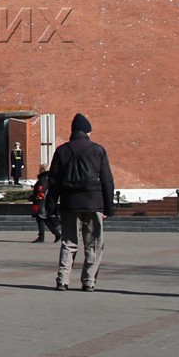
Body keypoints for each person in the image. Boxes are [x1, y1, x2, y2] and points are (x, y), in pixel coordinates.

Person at [48, 114, 115, 291]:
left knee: (68, 242)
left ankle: (62, 280)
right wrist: (109, 206)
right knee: (93, 243)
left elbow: (53, 182)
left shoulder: (62, 150)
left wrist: (51, 206)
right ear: (88, 131)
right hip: (94, 202)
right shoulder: (97, 150)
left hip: (69, 203)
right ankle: (89, 281)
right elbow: (107, 180)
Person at [30, 170, 60, 242]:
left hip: (41, 202)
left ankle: (43, 236)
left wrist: (35, 197)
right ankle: (55, 233)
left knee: (41, 217)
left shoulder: (43, 179)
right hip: (46, 200)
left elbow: (41, 190)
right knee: (43, 218)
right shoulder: (49, 177)